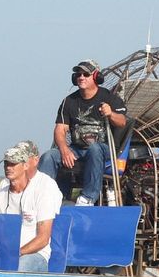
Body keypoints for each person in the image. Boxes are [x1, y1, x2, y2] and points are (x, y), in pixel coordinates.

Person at [38, 59, 127, 206]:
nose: (81, 77)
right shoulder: (69, 101)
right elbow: (60, 129)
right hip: (77, 149)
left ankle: (88, 198)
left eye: (86, 74)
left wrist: (110, 114)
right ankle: (42, 197)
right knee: (50, 156)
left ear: (96, 77)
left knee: (95, 148)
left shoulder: (110, 98)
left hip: (104, 149)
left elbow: (122, 122)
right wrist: (64, 150)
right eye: (78, 74)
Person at [0, 141, 63, 272]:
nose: (8, 167)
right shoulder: (2, 186)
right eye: (6, 163)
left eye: (13, 163)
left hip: (34, 254)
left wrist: (16, 253)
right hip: (3, 252)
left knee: (17, 267)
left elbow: (43, 238)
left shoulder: (46, 187)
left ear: (29, 162)